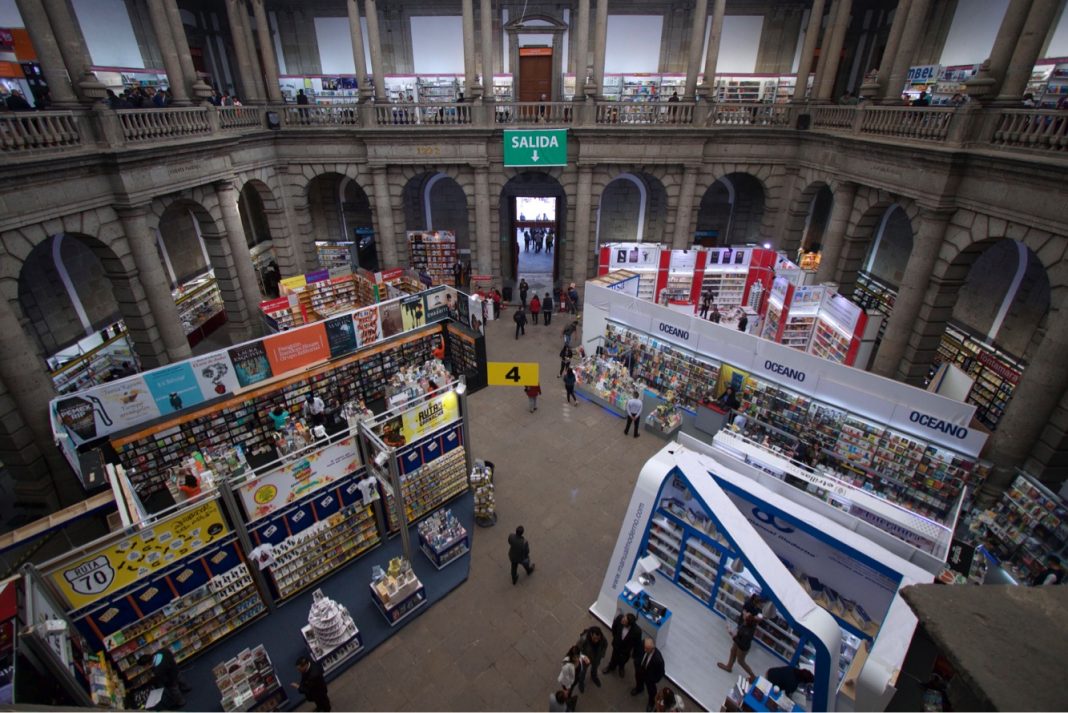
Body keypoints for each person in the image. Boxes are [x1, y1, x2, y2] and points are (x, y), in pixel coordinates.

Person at [717, 610, 759, 679]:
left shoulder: (747, 633)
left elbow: (742, 645)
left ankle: (753, 676)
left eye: (746, 614)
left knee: (741, 661)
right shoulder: (748, 624)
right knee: (733, 650)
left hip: (742, 648)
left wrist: (733, 636)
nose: (745, 613)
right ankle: (729, 667)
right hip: (739, 640)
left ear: (746, 619)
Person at [631, 638, 665, 712]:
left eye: (647, 649)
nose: (645, 650)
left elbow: (661, 673)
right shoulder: (643, 644)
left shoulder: (658, 659)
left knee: (651, 690)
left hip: (649, 677)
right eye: (645, 648)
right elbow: (636, 651)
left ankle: (651, 702)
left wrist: (653, 680)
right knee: (638, 679)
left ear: (653, 649)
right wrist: (636, 662)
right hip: (640, 669)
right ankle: (639, 688)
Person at [604, 612, 642, 677]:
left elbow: (637, 643)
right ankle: (611, 667)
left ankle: (621, 668)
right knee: (614, 657)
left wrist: (634, 653)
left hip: (626, 650)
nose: (622, 620)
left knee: (623, 660)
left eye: (625, 621)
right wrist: (615, 637)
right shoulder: (619, 618)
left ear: (629, 624)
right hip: (617, 645)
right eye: (624, 617)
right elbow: (614, 628)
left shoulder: (637, 631)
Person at [575, 626, 607, 691]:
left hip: (596, 658)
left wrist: (601, 655)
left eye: (598, 638)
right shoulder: (583, 639)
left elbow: (605, 645)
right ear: (591, 634)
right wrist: (583, 657)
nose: (596, 640)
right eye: (594, 638)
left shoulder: (602, 638)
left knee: (595, 669)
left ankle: (594, 677)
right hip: (585, 659)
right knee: (583, 672)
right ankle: (581, 682)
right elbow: (577, 650)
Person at [558, 646, 581, 711]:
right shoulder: (567, 663)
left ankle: (567, 696)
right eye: (575, 657)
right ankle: (566, 699)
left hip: (574, 681)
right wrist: (567, 688)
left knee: (570, 690)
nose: (577, 659)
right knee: (568, 692)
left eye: (577, 656)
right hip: (567, 682)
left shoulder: (578, 660)